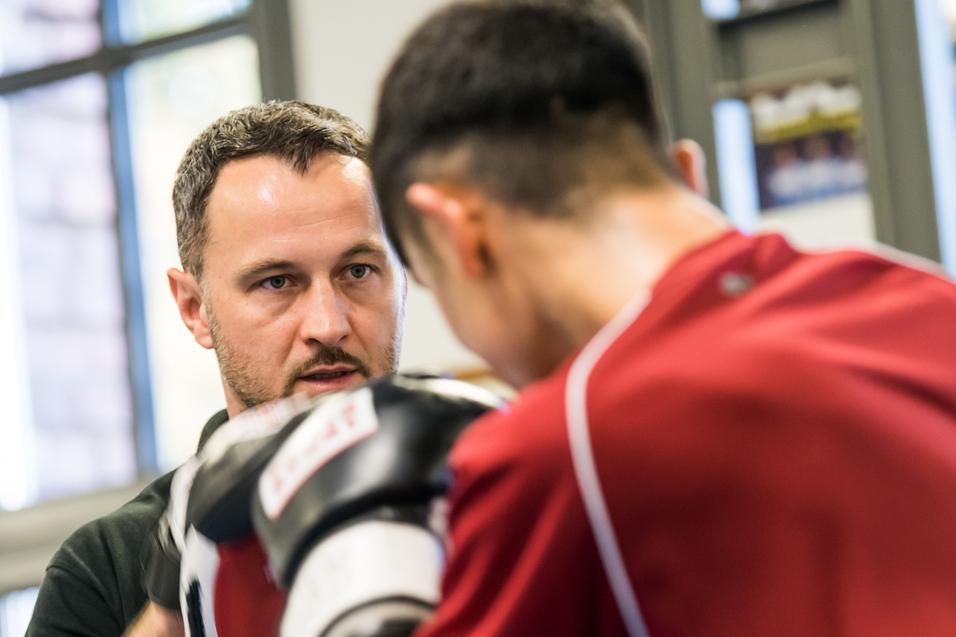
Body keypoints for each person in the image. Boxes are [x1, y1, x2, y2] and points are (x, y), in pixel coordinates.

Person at [367, 1, 956, 635]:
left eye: (438, 285)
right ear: (687, 174)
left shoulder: (566, 446)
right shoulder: (924, 301)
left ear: (456, 231)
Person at [27, 101, 406, 636]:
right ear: (194, 308)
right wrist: (170, 607)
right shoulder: (105, 567)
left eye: (358, 271)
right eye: (277, 282)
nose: (328, 324)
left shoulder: (490, 493)